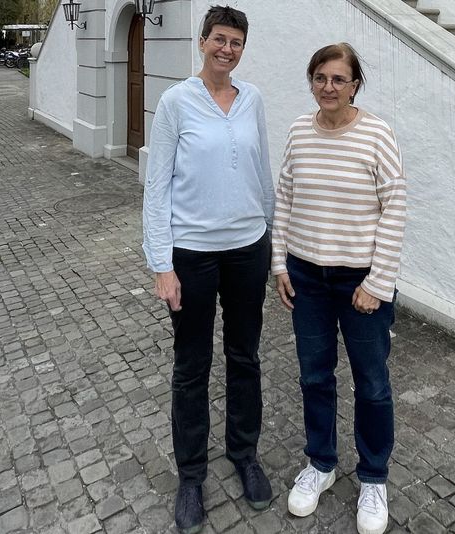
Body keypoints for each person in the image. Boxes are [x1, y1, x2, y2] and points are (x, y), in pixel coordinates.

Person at [141, 6, 274, 533]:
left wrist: (272, 241)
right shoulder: (176, 102)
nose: (227, 49)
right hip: (191, 255)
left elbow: (262, 170)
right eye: (220, 39)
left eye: (236, 42)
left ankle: (245, 455)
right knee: (191, 365)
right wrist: (161, 263)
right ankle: (191, 476)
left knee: (245, 356)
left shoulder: (253, 99)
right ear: (202, 42)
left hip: (247, 249)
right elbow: (156, 186)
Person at [271, 43, 407, 534]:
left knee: (371, 383)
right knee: (314, 376)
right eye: (320, 78)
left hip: (360, 285)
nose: (328, 87)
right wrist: (279, 263)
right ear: (312, 81)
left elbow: (395, 207)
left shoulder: (376, 134)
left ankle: (373, 476)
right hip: (306, 278)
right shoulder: (297, 132)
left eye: (338, 79)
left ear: (355, 85)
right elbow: (284, 196)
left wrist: (378, 282)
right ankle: (321, 464)